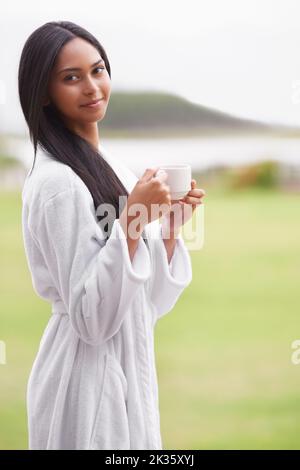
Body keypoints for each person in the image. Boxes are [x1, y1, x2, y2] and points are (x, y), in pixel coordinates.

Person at [18, 21, 206, 450]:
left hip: (128, 368)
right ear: (44, 92)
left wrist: (170, 230)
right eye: (71, 77)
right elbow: (91, 319)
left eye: (98, 70)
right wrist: (136, 217)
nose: (91, 86)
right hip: (84, 383)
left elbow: (145, 305)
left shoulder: (114, 169)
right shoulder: (58, 184)